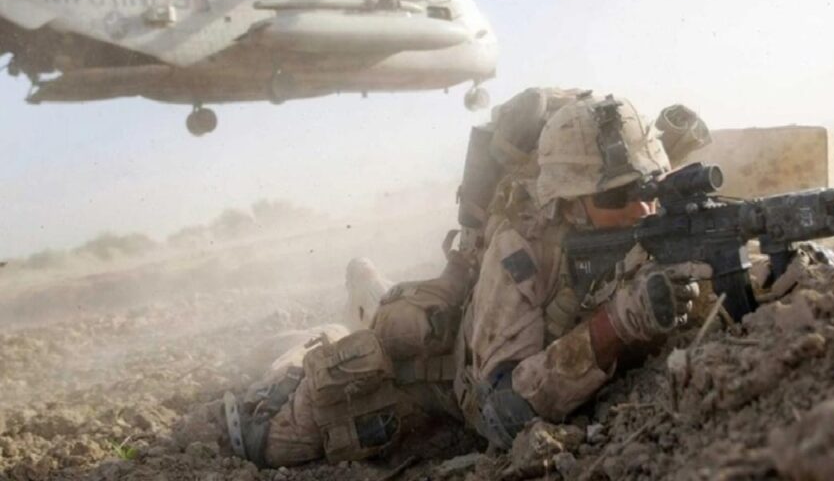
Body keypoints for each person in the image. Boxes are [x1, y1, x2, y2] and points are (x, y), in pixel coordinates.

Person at [227, 90, 719, 467]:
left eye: (649, 188)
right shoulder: (520, 245)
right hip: (441, 370)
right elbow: (498, 413)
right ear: (569, 201)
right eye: (615, 198)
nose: (643, 208)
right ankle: (310, 341)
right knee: (273, 439)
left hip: (481, 325)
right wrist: (614, 326)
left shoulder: (652, 217)